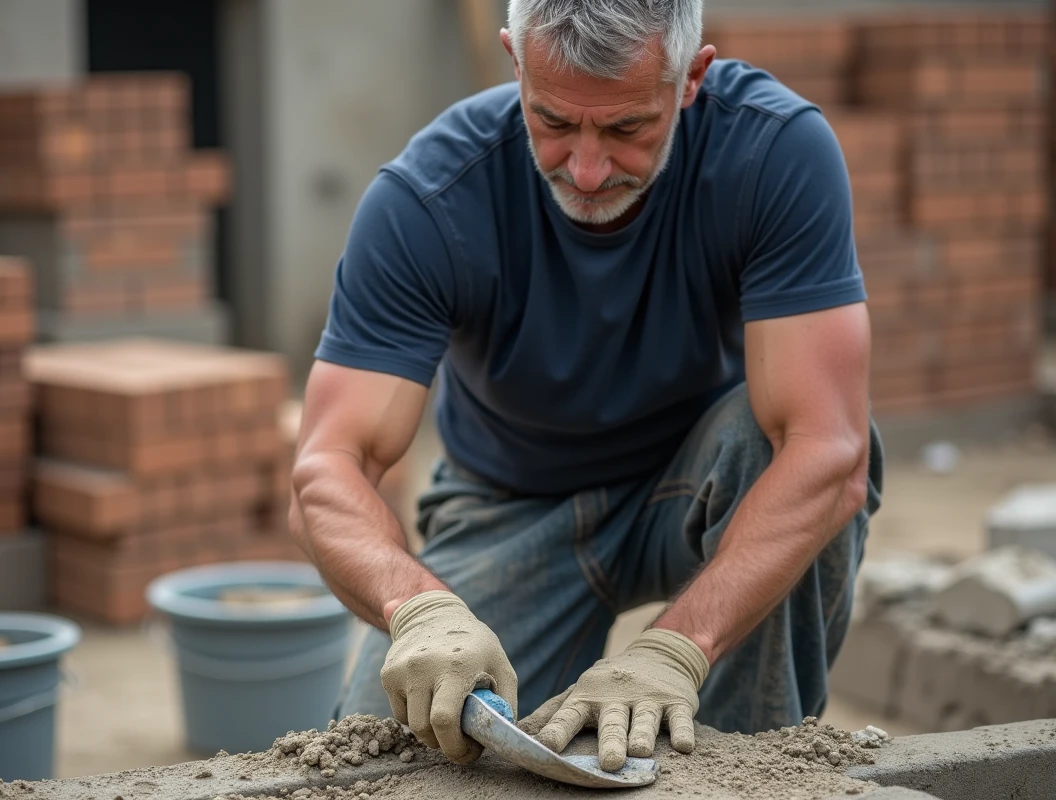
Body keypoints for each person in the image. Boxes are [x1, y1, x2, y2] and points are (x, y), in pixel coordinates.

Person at [289, 0, 884, 775]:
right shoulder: (429, 200)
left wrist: (677, 647)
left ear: (691, 78)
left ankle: (744, 772)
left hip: (698, 487)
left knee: (774, 445)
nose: (588, 169)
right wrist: (419, 610)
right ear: (515, 61)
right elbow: (328, 465)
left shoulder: (774, 154)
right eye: (554, 122)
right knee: (391, 763)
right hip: (511, 501)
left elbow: (825, 447)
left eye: (628, 128)